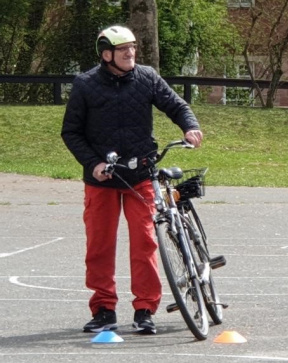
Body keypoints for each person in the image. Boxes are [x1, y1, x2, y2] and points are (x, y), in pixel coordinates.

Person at [61, 25, 203, 335]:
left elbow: (176, 105)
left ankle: (144, 309)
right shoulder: (85, 84)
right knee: (99, 246)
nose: (131, 52)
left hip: (141, 175)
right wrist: (93, 163)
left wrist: (189, 126)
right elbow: (70, 132)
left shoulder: (147, 77)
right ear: (106, 54)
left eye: (133, 47)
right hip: (102, 179)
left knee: (145, 243)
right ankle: (103, 308)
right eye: (123, 48)